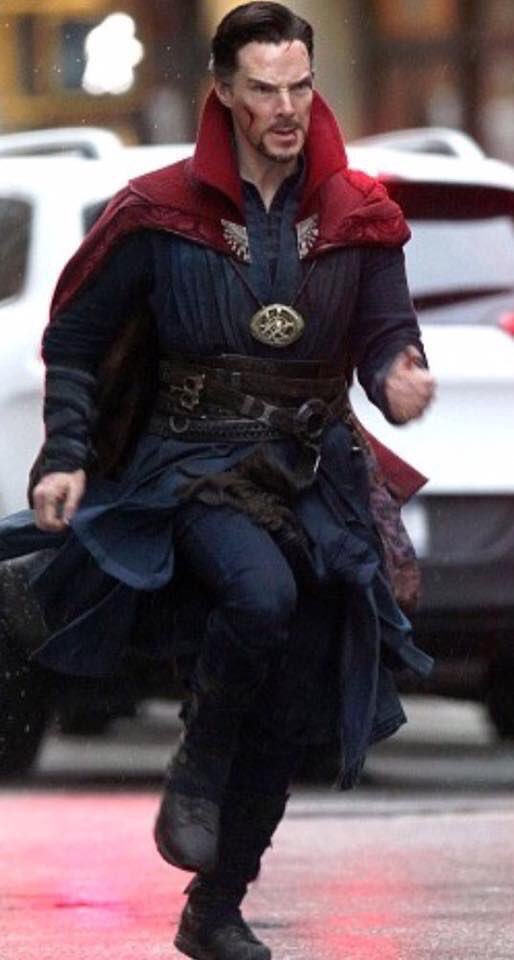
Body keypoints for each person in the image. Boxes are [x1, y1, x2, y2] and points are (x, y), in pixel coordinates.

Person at [0, 4, 436, 958]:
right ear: (226, 91)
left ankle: (216, 907)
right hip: (189, 463)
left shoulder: (359, 215)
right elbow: (76, 340)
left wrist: (399, 374)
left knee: (291, 697)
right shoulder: (156, 210)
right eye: (264, 89)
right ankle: (197, 763)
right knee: (259, 590)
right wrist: (65, 453)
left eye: (300, 86)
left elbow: (385, 337)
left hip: (316, 475)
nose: (286, 108)